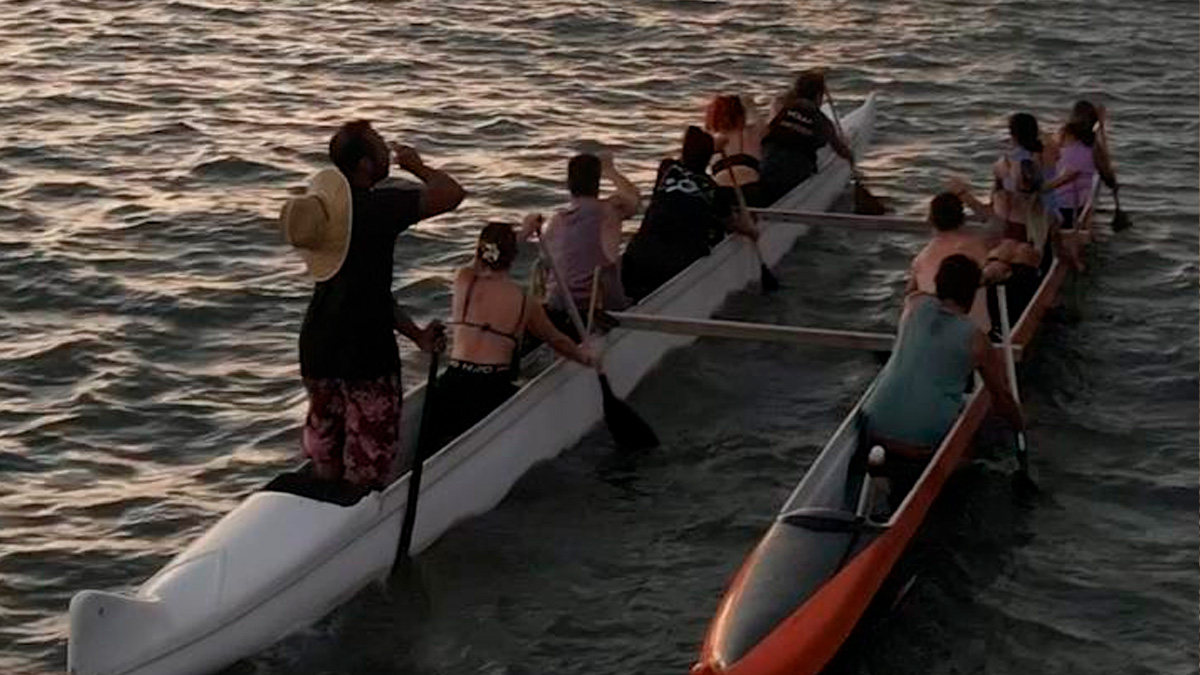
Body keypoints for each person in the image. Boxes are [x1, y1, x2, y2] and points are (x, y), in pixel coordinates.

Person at [282, 119, 465, 489]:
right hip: (365, 354)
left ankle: (326, 508)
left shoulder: (325, 216)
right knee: (367, 464)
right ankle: (361, 513)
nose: (387, 149)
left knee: (327, 453)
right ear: (365, 164)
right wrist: (416, 166)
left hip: (318, 349)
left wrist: (416, 335)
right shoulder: (378, 207)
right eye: (380, 143)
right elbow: (451, 194)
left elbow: (368, 293)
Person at [862, 255, 1024, 505]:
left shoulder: (913, 305)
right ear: (972, 293)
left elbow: (925, 290)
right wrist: (1020, 424)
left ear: (938, 284)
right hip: (921, 441)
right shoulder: (977, 341)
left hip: (873, 422)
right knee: (975, 444)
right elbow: (1001, 399)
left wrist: (977, 279)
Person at [431, 221, 595, 450]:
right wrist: (586, 358)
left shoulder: (464, 280)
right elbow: (557, 340)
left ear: (479, 251)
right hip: (491, 390)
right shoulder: (525, 300)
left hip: (452, 384)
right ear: (514, 256)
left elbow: (482, 259)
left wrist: (523, 232)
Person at [621, 126, 758, 302]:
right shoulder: (715, 192)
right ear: (708, 158)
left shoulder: (667, 169)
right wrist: (752, 231)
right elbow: (733, 225)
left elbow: (687, 159)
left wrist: (710, 146)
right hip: (676, 264)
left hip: (638, 256)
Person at [537, 150, 640, 337]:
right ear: (597, 182)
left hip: (556, 305)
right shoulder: (610, 211)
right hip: (591, 310)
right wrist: (610, 171)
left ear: (569, 184)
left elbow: (545, 263)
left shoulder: (555, 222)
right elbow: (634, 199)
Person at [1043, 100, 1119, 269]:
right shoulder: (1094, 148)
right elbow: (1108, 174)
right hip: (1072, 208)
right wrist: (1102, 127)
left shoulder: (1063, 135)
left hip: (1055, 204)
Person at [760, 70, 854, 203]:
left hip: (765, 167)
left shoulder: (783, 110)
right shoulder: (822, 122)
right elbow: (840, 149)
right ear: (818, 97)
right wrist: (851, 159)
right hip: (793, 174)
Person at [905, 191, 991, 331]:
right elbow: (997, 225)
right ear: (962, 219)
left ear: (931, 220)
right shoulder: (978, 247)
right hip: (977, 331)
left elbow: (910, 295)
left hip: (933, 332)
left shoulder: (921, 259)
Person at [989, 112, 1060, 254]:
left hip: (1017, 223)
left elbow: (998, 199)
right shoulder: (1048, 154)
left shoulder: (1005, 163)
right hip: (1049, 216)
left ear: (1013, 135)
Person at [705, 95, 770, 207]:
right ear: (742, 115)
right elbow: (764, 127)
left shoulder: (711, 140)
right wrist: (751, 105)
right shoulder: (752, 132)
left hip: (722, 193)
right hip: (751, 190)